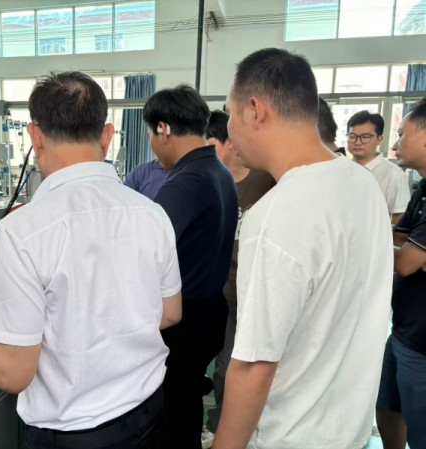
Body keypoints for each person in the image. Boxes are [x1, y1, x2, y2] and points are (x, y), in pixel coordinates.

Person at [0, 71, 183, 449]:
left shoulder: (22, 230)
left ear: (35, 137)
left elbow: (12, 373)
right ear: (107, 136)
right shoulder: (152, 213)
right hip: (148, 415)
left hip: (75, 436)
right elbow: (170, 313)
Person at [213, 48, 393, 449]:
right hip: (348, 432)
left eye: (229, 113)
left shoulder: (276, 215)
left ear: (255, 110)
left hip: (288, 437)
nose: (229, 130)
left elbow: (254, 366)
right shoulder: (362, 184)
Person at [143, 85, 238, 449]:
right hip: (209, 311)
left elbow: (146, 254)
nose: (153, 145)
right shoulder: (219, 171)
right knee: (186, 403)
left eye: (151, 134)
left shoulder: (185, 182)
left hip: (182, 321)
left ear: (164, 129)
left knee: (172, 413)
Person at [201, 110, 275, 449]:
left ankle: (230, 429)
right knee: (220, 366)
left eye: (210, 144)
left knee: (241, 365)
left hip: (252, 292)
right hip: (219, 290)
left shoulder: (265, 180)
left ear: (229, 142)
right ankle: (217, 425)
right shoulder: (211, 182)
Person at [376, 97, 426, 449]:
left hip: (422, 342)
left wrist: (363, 240)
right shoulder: (423, 187)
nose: (396, 145)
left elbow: (406, 260)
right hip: (403, 330)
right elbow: (399, 236)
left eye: (402, 134)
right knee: (387, 406)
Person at [347, 110, 410, 223]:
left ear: (379, 139)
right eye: (352, 136)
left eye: (365, 137)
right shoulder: (341, 170)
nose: (357, 142)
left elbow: (398, 218)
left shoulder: (393, 175)